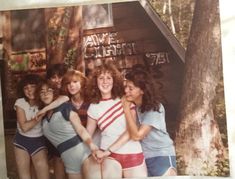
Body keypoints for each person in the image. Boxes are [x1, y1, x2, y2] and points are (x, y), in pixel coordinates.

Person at [84, 62, 147, 178]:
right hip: (108, 157)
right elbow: (87, 134)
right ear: (95, 82)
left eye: (109, 78)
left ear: (114, 80)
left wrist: (109, 150)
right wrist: (93, 149)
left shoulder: (125, 100)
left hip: (132, 153)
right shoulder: (93, 107)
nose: (105, 81)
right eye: (101, 78)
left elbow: (130, 131)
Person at [37, 77, 99, 179]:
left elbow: (80, 128)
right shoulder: (41, 117)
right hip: (68, 161)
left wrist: (91, 145)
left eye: (49, 90)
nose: (45, 94)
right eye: (42, 92)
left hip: (84, 153)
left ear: (54, 93)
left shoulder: (64, 107)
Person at [122, 66, 177, 176]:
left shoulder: (155, 108)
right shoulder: (135, 107)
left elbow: (137, 136)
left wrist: (126, 109)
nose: (126, 91)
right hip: (143, 157)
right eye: (126, 87)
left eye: (130, 88)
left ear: (142, 90)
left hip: (162, 155)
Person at [13, 74, 50, 179]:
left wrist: (45, 108)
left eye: (32, 86)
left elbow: (63, 98)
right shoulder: (20, 102)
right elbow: (24, 127)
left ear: (38, 87)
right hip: (21, 141)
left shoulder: (44, 102)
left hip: (39, 141)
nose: (29, 90)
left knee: (44, 175)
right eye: (26, 88)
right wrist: (41, 114)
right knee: (24, 176)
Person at [46, 63, 68, 179]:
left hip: (71, 134)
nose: (57, 80)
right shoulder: (47, 94)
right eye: (53, 77)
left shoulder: (71, 90)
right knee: (58, 160)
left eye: (60, 76)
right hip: (54, 136)